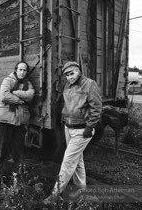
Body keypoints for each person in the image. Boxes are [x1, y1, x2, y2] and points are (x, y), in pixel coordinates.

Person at [44, 61, 102, 204]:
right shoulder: (68, 85)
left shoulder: (89, 84)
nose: (69, 77)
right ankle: (82, 193)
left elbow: (97, 107)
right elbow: (67, 105)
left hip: (82, 130)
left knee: (68, 162)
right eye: (67, 75)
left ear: (79, 71)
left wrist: (90, 127)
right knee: (78, 162)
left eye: (72, 73)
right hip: (69, 127)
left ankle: (55, 195)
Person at [0, 61, 35, 179]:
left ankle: (13, 176)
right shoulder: (8, 80)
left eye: (25, 70)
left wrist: (16, 93)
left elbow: (31, 95)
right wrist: (21, 101)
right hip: (6, 119)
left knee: (17, 150)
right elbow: (4, 96)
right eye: (20, 70)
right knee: (3, 148)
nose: (22, 72)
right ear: (16, 70)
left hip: (21, 121)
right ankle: (0, 176)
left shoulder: (29, 84)